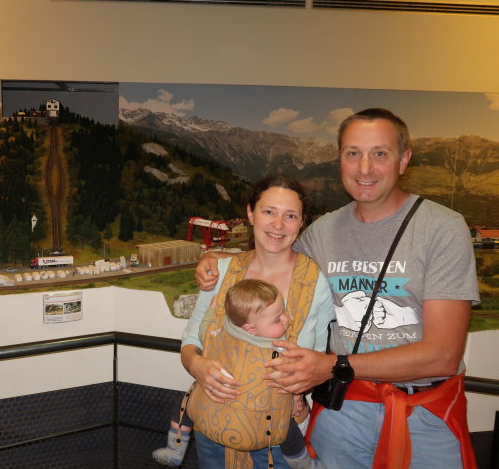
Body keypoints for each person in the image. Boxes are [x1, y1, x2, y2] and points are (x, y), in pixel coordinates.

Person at [196, 108, 479, 468]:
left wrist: (333, 365)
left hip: (423, 414)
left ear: (404, 160)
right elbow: (271, 253)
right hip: (345, 409)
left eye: (380, 153)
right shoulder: (323, 232)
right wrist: (217, 257)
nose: (365, 168)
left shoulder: (442, 228)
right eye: (353, 153)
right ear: (340, 159)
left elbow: (443, 355)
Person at [179, 174, 335, 468]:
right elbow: (190, 341)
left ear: (301, 222)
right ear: (250, 214)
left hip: (280, 436)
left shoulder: (316, 283)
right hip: (214, 426)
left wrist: (300, 388)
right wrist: (197, 366)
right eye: (269, 212)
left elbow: (322, 356)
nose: (278, 225)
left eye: (290, 216)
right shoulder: (221, 272)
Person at [153, 278, 322, 469]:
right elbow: (293, 376)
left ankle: (175, 449)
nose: (287, 319)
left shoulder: (220, 332)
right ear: (251, 329)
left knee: (187, 403)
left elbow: (204, 329)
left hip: (218, 407)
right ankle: (304, 464)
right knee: (287, 430)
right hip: (261, 417)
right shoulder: (281, 349)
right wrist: (295, 396)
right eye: (278, 318)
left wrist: (212, 310)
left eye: (283, 312)